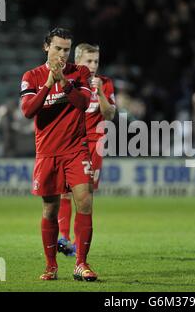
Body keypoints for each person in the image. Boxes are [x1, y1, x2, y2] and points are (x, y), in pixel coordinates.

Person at [20, 27, 98, 282]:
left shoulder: (80, 72)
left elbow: (83, 104)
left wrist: (63, 81)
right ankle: (51, 265)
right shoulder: (32, 76)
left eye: (66, 49)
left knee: (84, 201)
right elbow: (28, 111)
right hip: (47, 152)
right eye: (58, 48)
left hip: (76, 149)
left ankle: (81, 263)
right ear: (46, 47)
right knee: (50, 209)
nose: (63, 54)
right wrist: (48, 85)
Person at [57, 43, 116, 256]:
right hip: (69, 143)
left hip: (94, 144)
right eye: (89, 61)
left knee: (85, 198)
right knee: (64, 193)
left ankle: (76, 247)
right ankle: (64, 238)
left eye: (96, 61)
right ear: (78, 61)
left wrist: (99, 92)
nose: (93, 66)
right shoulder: (69, 80)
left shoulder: (106, 83)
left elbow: (109, 115)